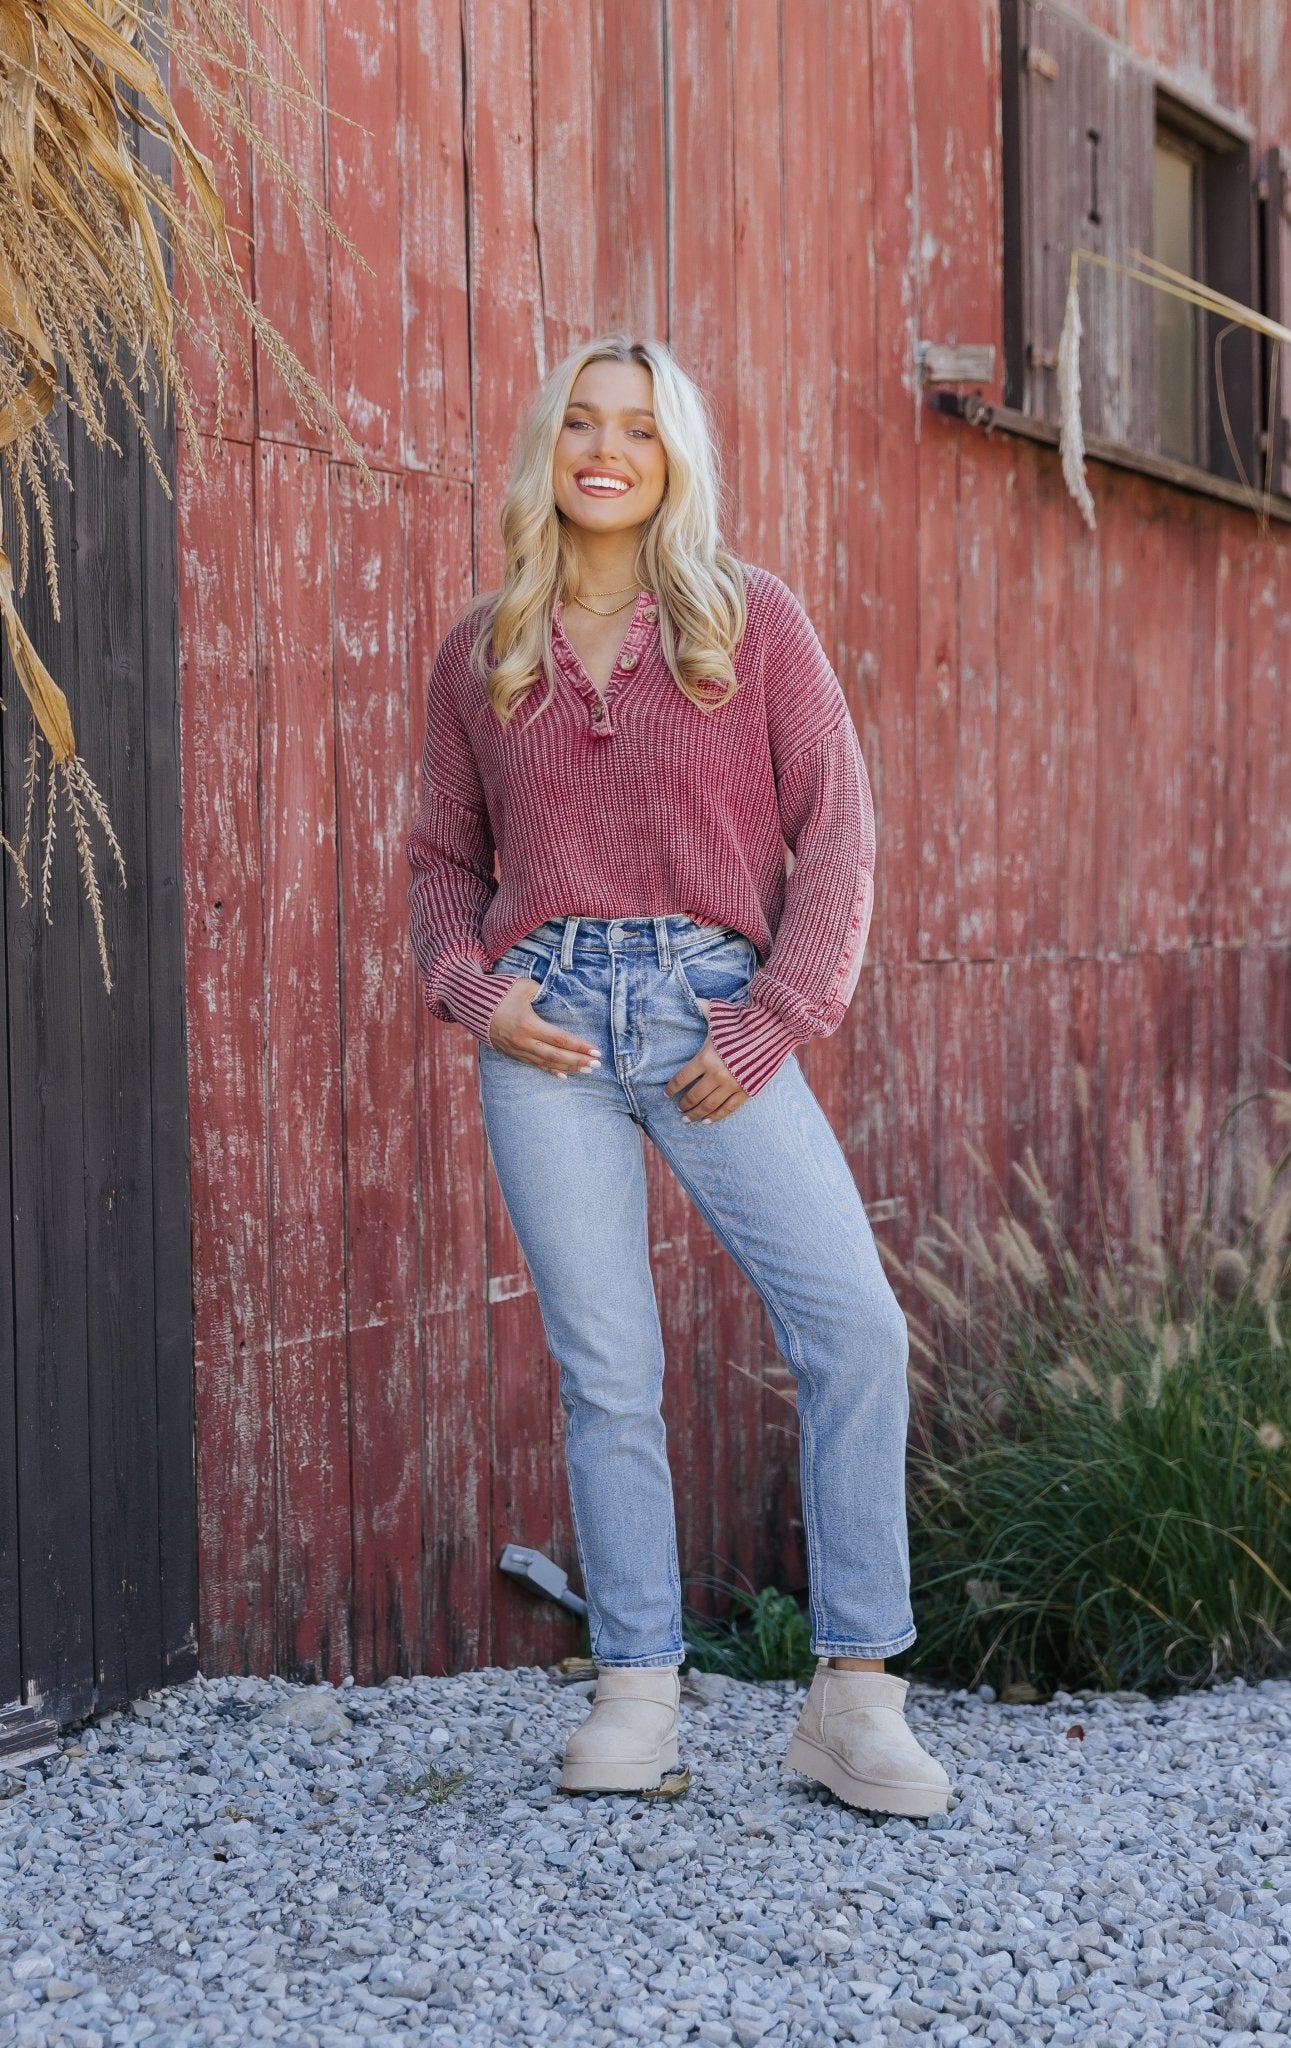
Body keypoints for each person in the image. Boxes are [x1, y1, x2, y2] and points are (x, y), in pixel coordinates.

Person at [405, 335, 950, 1819]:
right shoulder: (483, 649)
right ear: (547, 452)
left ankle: (852, 1698)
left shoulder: (749, 621)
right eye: (580, 423)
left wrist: (775, 1016)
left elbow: (837, 830)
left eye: (636, 429)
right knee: (609, 1376)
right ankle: (638, 1694)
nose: (606, 447)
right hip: (553, 1041)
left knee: (854, 1329)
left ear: (671, 459)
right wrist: (476, 991)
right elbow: (444, 864)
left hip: (714, 1020)